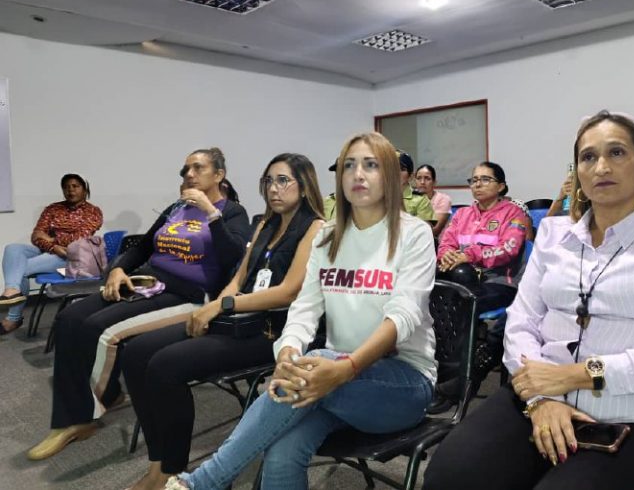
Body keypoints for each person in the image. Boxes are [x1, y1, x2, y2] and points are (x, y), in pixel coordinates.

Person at [424, 110, 634, 490]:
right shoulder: (554, 234)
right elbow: (521, 322)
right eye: (588, 157)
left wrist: (579, 375)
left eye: (617, 153)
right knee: (451, 476)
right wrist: (541, 397)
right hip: (541, 397)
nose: (601, 167)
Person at [164, 132, 436, 490]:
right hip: (329, 380)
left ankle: (202, 482)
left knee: (317, 359)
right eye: (349, 165)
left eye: (370, 165)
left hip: (403, 384)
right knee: (281, 452)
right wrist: (288, 351)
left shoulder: (414, 234)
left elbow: (403, 317)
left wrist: (347, 367)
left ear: (388, 174)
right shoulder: (328, 237)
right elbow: (304, 310)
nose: (357, 174)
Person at [26, 148, 250, 461]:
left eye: (197, 168)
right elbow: (143, 247)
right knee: (70, 318)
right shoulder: (177, 208)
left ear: (219, 175)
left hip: (188, 293)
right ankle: (109, 395)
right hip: (147, 280)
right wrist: (118, 269)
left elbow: (234, 257)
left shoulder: (232, 212)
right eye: (185, 169)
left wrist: (210, 212)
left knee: (98, 328)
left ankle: (76, 419)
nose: (188, 174)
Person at [122, 153, 324, 490]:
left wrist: (223, 305)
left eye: (283, 180)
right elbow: (240, 276)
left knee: (164, 366)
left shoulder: (316, 227)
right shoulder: (266, 223)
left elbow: (288, 292)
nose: (273, 189)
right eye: (268, 181)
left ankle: (170, 469)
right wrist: (217, 305)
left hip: (273, 331)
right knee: (135, 353)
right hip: (238, 318)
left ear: (304, 186)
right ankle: (158, 460)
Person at [0, 174, 103, 335]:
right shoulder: (53, 209)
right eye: (66, 187)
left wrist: (50, 239)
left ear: (84, 189)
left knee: (20, 269)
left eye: (75, 186)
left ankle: (13, 319)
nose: (70, 190)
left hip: (74, 257)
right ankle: (12, 289)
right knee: (13, 249)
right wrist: (53, 246)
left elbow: (77, 240)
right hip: (52, 251)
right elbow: (36, 236)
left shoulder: (93, 212)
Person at [437, 161, 527, 314]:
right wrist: (446, 255)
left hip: (498, 282)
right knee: (430, 295)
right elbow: (446, 244)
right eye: (474, 180)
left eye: (485, 179)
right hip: (461, 276)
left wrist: (470, 256)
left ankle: (472, 329)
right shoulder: (462, 214)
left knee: (461, 303)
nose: (478, 185)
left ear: (501, 186)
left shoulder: (513, 213)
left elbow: (508, 249)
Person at [397, 150, 435, 223]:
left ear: (411, 176)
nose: (395, 172)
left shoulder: (421, 200)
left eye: (402, 169)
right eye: (391, 168)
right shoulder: (378, 197)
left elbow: (425, 228)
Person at [415, 164, 452, 236]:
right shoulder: (410, 199)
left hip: (435, 241)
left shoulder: (443, 199)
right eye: (419, 178)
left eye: (427, 178)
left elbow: (435, 231)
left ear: (434, 182)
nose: (422, 182)